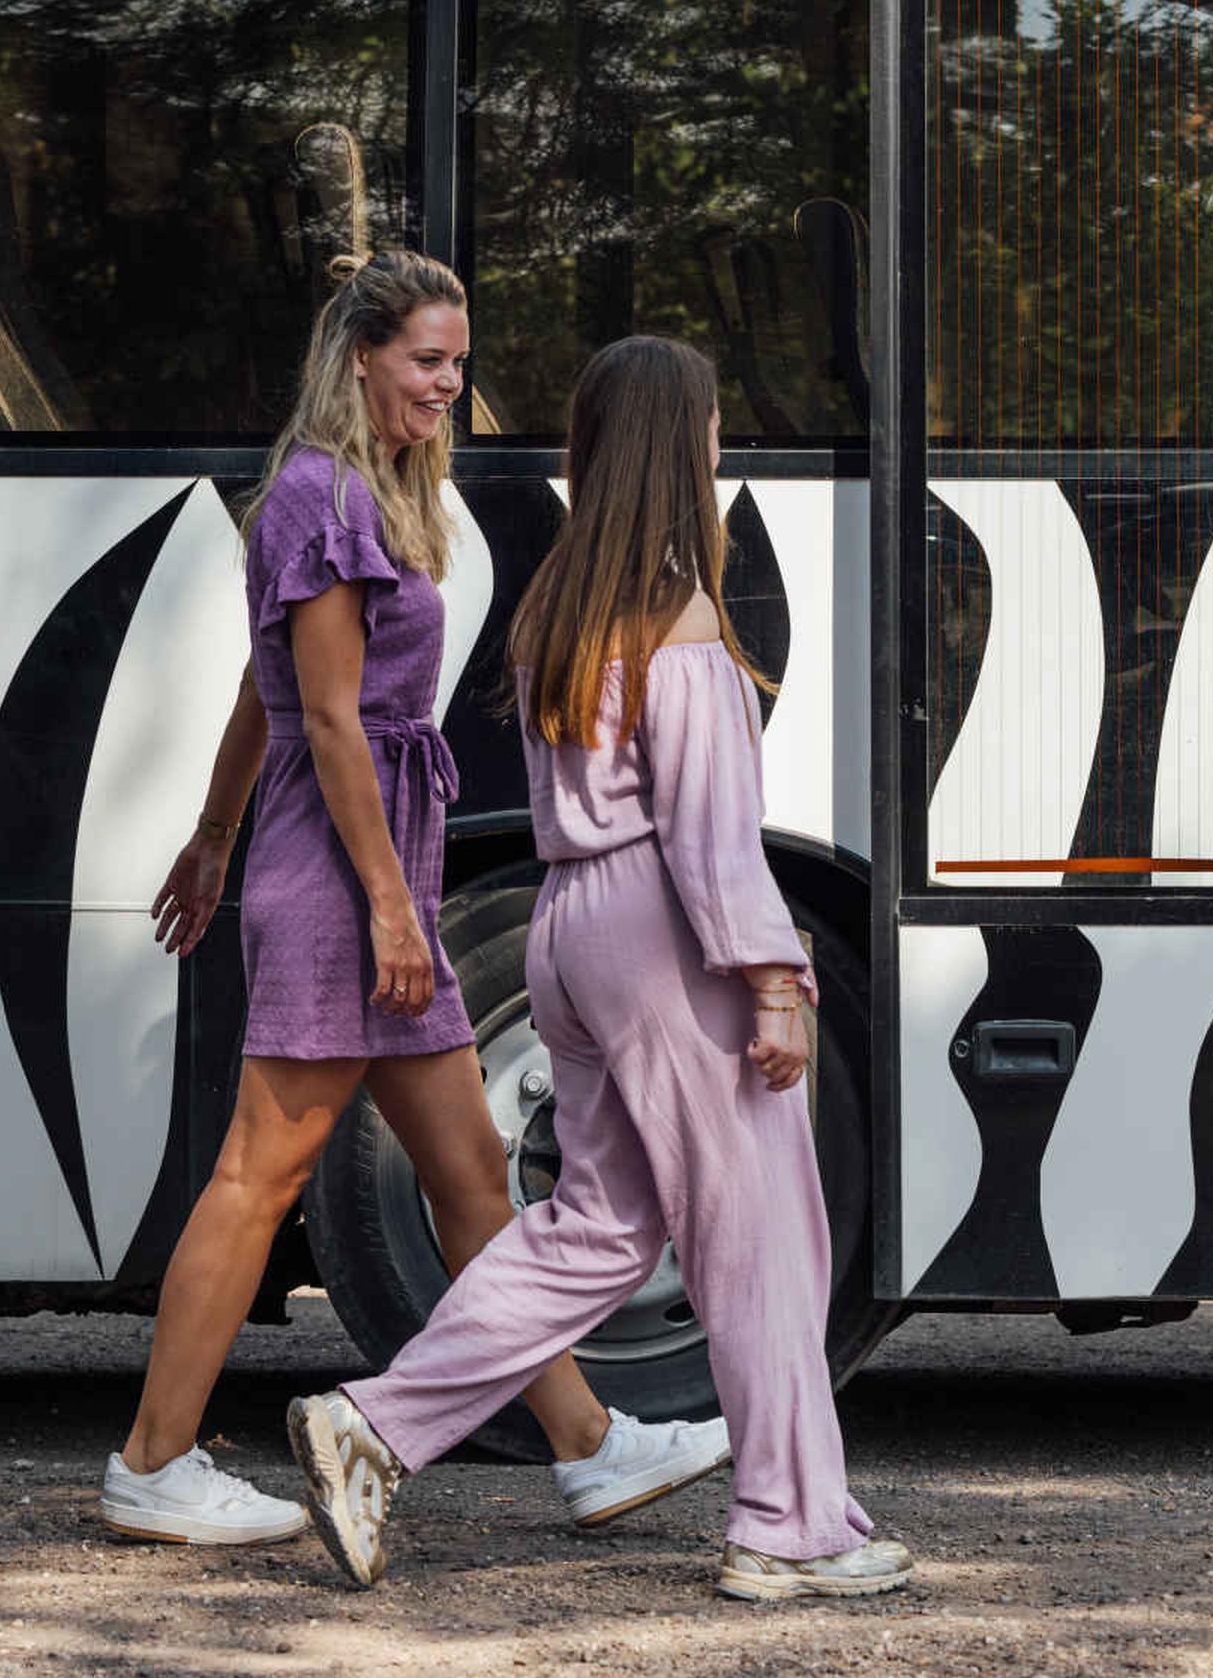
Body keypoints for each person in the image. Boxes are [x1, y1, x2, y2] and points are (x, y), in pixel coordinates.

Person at [100, 252, 729, 1546]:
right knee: (258, 1173)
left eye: (457, 359)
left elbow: (255, 693)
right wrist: (389, 905)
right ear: (362, 359)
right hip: (343, 872)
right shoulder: (321, 497)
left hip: (367, 857)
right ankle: (154, 1460)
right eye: (427, 359)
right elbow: (322, 714)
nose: (451, 380)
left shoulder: (372, 494)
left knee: (472, 1171)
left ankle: (588, 1443)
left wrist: (216, 835)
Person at [283, 335, 909, 1605]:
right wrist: (775, 981)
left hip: (573, 927)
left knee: (599, 1228)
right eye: (717, 423)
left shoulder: (559, 604)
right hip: (666, 933)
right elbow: (713, 841)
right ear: (685, 448)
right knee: (765, 1233)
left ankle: (377, 1423)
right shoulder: (680, 619)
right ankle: (790, 1527)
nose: (726, 441)